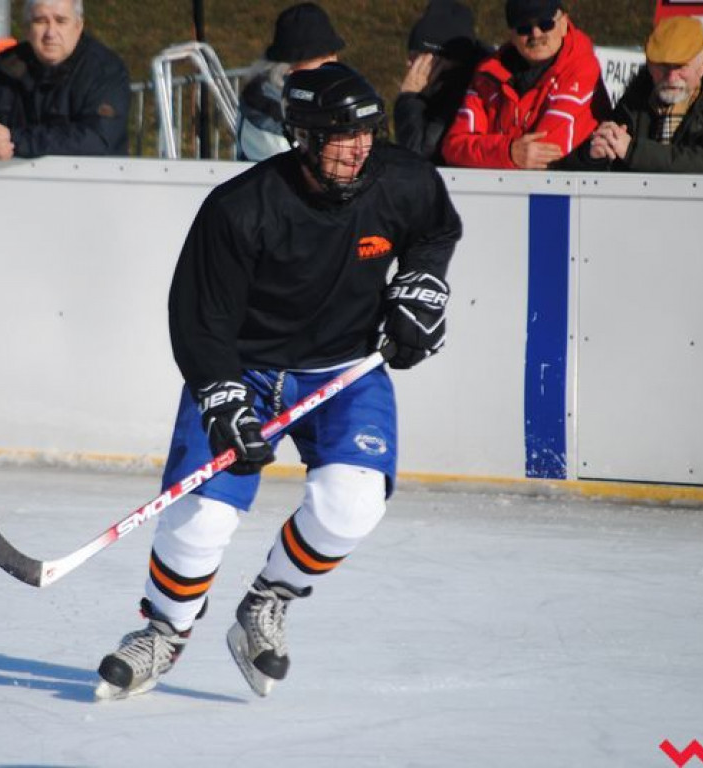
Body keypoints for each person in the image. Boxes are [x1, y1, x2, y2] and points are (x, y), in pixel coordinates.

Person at [94, 62, 462, 700]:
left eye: (367, 133)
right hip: (247, 370)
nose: (359, 149)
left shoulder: (402, 181)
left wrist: (421, 287)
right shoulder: (241, 209)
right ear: (305, 139)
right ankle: (166, 630)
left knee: (352, 503)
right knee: (199, 521)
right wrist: (222, 396)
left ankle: (268, 600)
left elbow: (434, 231)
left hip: (345, 367)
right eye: (341, 137)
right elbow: (200, 319)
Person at [0, 0, 130, 160]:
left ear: (78, 26)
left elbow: (97, 140)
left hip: (88, 190)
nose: (51, 33)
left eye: (61, 21)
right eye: (40, 21)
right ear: (27, 29)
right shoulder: (7, 67)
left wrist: (13, 140)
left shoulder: (105, 71)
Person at [440, 0, 608, 169]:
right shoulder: (487, 76)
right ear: (511, 35)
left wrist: (491, 152)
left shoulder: (582, 69)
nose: (535, 34)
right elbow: (454, 147)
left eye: (545, 24)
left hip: (567, 190)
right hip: (500, 191)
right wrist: (508, 152)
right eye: (524, 28)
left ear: (563, 23)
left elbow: (546, 152)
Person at [567, 16, 703, 172]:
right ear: (649, 66)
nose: (671, 77)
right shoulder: (634, 102)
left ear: (702, 67)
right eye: (662, 67)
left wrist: (633, 151)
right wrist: (593, 156)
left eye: (680, 67)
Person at [235, 1, 344, 161]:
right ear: (290, 67)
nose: (332, 61)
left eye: (332, 53)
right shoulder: (264, 108)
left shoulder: (317, 94)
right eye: (319, 57)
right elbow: (292, 164)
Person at [393, 0, 489, 164]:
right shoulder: (437, 91)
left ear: (443, 59)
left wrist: (409, 98)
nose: (409, 65)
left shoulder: (463, 96)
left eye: (417, 57)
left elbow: (417, 156)